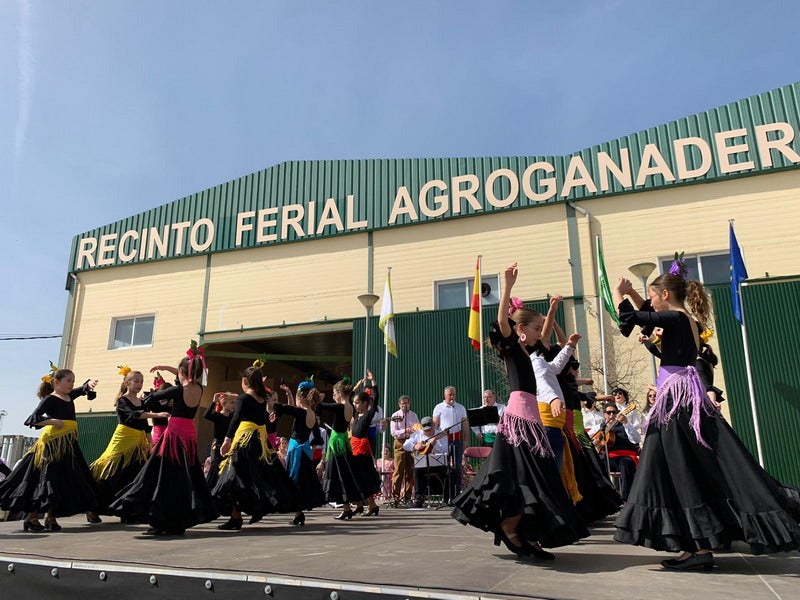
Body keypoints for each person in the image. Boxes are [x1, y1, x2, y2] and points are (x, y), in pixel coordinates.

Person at [612, 265, 800, 570]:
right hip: (677, 397)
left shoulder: (675, 317)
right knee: (672, 467)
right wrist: (635, 294)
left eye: (652, 296)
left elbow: (633, 318)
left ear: (664, 294)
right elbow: (657, 332)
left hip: (676, 399)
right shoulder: (684, 320)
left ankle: (698, 549)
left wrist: (620, 295)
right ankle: (693, 546)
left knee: (677, 467)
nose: (651, 301)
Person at [451, 263, 589, 559]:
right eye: (536, 329)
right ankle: (512, 528)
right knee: (520, 480)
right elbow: (503, 322)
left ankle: (527, 533)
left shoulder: (535, 355)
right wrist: (507, 287)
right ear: (521, 331)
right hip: (517, 423)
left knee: (538, 480)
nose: (542, 333)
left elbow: (549, 343)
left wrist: (552, 314)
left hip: (533, 423)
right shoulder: (513, 349)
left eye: (542, 329)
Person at [109, 345, 218, 535]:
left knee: (160, 476)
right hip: (189, 434)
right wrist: (168, 368)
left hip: (174, 436)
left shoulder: (176, 391)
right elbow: (188, 375)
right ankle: (177, 520)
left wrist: (149, 397)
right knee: (185, 476)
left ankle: (160, 519)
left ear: (182, 373)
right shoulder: (199, 388)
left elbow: (151, 399)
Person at [0, 366, 99, 532]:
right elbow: (32, 419)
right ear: (56, 382)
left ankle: (51, 516)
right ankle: (32, 517)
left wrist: (88, 385)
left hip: (68, 444)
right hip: (52, 445)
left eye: (73, 381)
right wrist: (53, 421)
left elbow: (82, 390)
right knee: (46, 480)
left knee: (66, 480)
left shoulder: (68, 395)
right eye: (69, 381)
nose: (71, 384)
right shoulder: (50, 399)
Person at [212, 364, 298, 529]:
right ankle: (237, 516)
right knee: (255, 476)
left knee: (234, 476)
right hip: (259, 441)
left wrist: (227, 439)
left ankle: (237, 517)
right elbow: (262, 420)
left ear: (245, 381)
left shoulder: (245, 398)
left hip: (245, 440)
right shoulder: (261, 398)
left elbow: (236, 419)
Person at [89, 368, 169, 522]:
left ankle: (127, 511)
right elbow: (134, 415)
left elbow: (145, 425)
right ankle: (93, 508)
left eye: (141, 381)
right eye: (136, 381)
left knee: (133, 476)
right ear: (127, 383)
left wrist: (149, 442)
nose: (139, 384)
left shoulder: (141, 401)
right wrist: (157, 414)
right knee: (112, 473)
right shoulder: (122, 401)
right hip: (123, 440)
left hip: (138, 443)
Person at [273, 380, 325, 526]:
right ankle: (298, 513)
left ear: (300, 398)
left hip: (296, 450)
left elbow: (284, 408)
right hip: (305, 451)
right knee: (303, 482)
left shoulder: (300, 412)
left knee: (295, 481)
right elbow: (317, 437)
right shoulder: (312, 414)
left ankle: (298, 513)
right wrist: (312, 449)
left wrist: (270, 401)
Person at [319, 378, 372, 520]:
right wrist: (356, 387)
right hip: (343, 443)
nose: (333, 396)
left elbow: (319, 407)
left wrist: (318, 399)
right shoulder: (349, 405)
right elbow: (349, 394)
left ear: (340, 393)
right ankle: (356, 504)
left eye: (334, 394)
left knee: (338, 476)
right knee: (346, 475)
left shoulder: (340, 407)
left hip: (337, 446)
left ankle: (347, 509)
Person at [589, 402, 638, 502]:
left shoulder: (625, 425)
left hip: (625, 456)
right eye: (608, 412)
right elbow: (587, 439)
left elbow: (636, 439)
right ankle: (606, 498)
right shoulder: (599, 427)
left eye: (614, 412)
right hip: (609, 458)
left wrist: (626, 423)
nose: (611, 415)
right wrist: (594, 442)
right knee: (597, 465)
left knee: (625, 464)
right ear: (604, 414)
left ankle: (626, 498)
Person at [403, 416, 449, 508]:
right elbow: (405, 445)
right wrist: (415, 446)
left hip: (438, 463)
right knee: (416, 471)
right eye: (425, 430)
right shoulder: (417, 434)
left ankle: (446, 498)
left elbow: (445, 450)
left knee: (450, 472)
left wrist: (434, 445)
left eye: (429, 430)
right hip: (422, 464)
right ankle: (419, 498)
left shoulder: (441, 435)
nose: (427, 432)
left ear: (433, 426)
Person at [348, 391, 382, 515]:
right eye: (354, 403)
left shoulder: (368, 415)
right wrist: (356, 386)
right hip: (354, 449)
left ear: (364, 403)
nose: (355, 405)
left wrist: (373, 383)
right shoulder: (356, 415)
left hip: (362, 453)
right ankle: (362, 504)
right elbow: (349, 397)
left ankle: (371, 505)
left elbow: (375, 401)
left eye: (357, 403)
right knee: (355, 479)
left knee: (363, 480)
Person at [432, 386, 469, 497]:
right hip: (444, 440)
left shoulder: (460, 408)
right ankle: (445, 494)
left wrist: (466, 441)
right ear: (445, 395)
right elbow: (435, 425)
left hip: (457, 440)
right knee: (445, 467)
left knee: (457, 467)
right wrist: (435, 440)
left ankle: (456, 494)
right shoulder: (439, 407)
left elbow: (465, 426)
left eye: (454, 394)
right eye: (450, 395)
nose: (452, 397)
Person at [203, 391, 237, 489]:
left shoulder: (233, 418)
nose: (234, 405)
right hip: (218, 447)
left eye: (235, 403)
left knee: (227, 469)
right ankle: (208, 490)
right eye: (232, 403)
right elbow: (206, 415)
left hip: (229, 447)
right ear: (224, 403)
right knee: (215, 468)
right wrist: (214, 401)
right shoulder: (217, 416)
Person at [390, 394, 419, 506]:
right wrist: (405, 431)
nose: (405, 406)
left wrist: (414, 433)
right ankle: (395, 498)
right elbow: (393, 432)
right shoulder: (395, 415)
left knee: (410, 471)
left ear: (409, 404)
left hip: (411, 443)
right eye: (403, 404)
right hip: (400, 443)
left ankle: (408, 497)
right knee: (398, 471)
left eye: (407, 403)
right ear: (399, 404)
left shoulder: (413, 415)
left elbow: (418, 429)